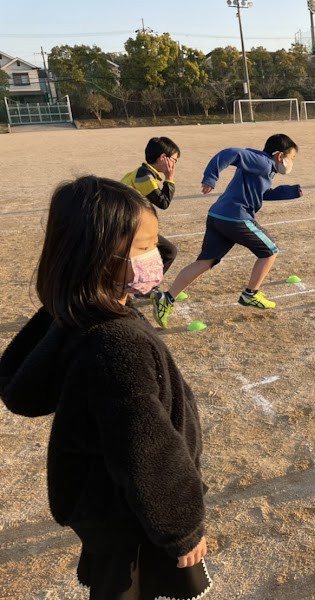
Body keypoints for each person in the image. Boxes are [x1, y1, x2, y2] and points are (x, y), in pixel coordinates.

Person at [0, 176, 211, 597]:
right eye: (142, 248)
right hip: (134, 514)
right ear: (97, 256)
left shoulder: (82, 311)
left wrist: (136, 229)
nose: (156, 256)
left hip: (105, 505)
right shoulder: (118, 345)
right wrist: (183, 527)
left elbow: (147, 255)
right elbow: (147, 452)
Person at [151, 133, 299, 329]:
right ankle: (251, 294)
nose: (291, 163)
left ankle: (167, 299)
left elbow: (262, 194)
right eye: (292, 158)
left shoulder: (266, 169)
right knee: (270, 250)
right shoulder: (262, 162)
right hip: (235, 217)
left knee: (204, 262)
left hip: (218, 216)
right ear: (280, 156)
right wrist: (210, 178)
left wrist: (291, 192)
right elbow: (230, 153)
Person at [121, 136, 181, 276]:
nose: (174, 165)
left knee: (160, 251)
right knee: (169, 251)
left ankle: (147, 286)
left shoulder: (144, 172)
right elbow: (163, 202)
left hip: (130, 223)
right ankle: (148, 287)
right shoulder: (144, 176)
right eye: (174, 160)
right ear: (163, 157)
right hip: (126, 225)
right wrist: (170, 179)